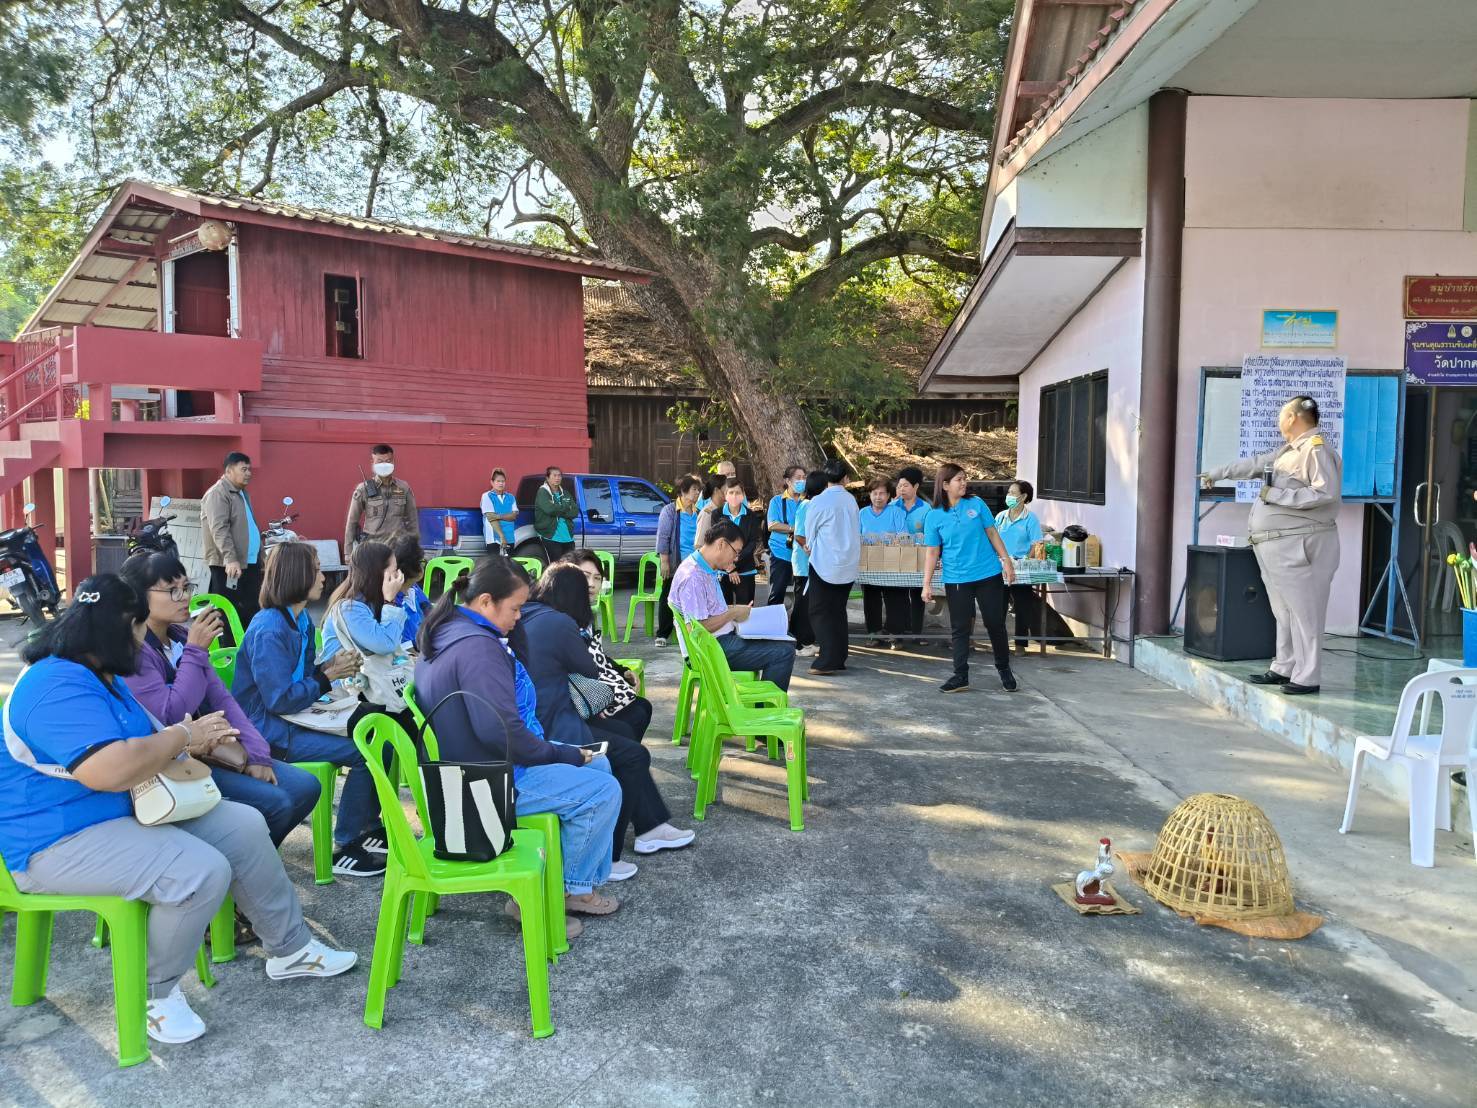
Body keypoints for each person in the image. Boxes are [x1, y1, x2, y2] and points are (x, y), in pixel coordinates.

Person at [0, 574, 356, 1046]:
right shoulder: (54, 684)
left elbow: (144, 742)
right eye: (137, 629)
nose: (141, 640)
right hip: (56, 841)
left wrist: (193, 741)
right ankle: (154, 994)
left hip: (124, 812)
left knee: (244, 825)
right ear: (117, 628)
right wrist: (185, 736)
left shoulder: (98, 674)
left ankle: (290, 949)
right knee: (199, 871)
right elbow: (110, 770)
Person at [414, 557, 623, 921]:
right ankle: (555, 893)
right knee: (603, 791)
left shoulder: (451, 629)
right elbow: (500, 732)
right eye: (515, 608)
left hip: (472, 769)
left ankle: (576, 884)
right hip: (488, 784)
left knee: (600, 764)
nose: (519, 617)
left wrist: (559, 753)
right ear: (485, 602)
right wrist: (560, 753)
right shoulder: (479, 649)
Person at [119, 552, 319, 849]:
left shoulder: (178, 637)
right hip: (170, 761)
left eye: (186, 587)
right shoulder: (134, 650)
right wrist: (196, 650)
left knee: (305, 786)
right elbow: (170, 714)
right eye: (172, 590)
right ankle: (242, 863)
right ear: (138, 596)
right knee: (276, 803)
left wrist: (258, 754)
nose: (185, 597)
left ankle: (249, 859)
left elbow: (221, 697)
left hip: (213, 748)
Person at [530, 560, 694, 876]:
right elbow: (589, 669)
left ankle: (646, 825)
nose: (592, 586)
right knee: (632, 754)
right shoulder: (560, 622)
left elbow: (595, 665)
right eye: (586, 579)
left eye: (597, 577)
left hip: (555, 717)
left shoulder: (535, 615)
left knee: (629, 726)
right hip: (552, 727)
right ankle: (608, 856)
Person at [232, 543, 383, 878]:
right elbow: (279, 699)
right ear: (296, 576)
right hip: (270, 732)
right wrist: (327, 676)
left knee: (376, 728)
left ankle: (368, 826)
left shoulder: (299, 619)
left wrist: (330, 668)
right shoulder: (270, 628)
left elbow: (304, 674)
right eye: (316, 569)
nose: (322, 576)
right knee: (364, 752)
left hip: (294, 717)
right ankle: (347, 843)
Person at [1200, 395, 1343, 694]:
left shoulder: (1315, 449)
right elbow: (1254, 465)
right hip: (1277, 547)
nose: (1278, 421)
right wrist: (1218, 473)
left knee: (1306, 613)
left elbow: (1325, 493)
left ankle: (1307, 676)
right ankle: (1284, 666)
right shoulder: (1288, 452)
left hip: (1302, 546)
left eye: (1281, 415)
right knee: (1284, 612)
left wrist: (1275, 495)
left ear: (1293, 417)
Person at [922, 463, 1018, 694]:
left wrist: (1006, 561)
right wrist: (926, 584)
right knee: (960, 628)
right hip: (957, 579)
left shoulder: (976, 504)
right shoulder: (933, 516)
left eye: (965, 478)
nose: (964, 483)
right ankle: (960, 675)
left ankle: (1004, 669)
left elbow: (992, 533)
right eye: (959, 480)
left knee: (995, 623)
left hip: (988, 574)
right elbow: (932, 552)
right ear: (945, 485)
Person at [670, 518, 795, 691]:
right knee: (783, 652)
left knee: (785, 637)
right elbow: (696, 629)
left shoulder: (706, 568)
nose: (736, 558)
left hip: (718, 640)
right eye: (736, 552)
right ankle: (766, 706)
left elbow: (708, 609)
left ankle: (765, 702)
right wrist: (733, 613)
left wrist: (734, 611)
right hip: (708, 649)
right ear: (721, 544)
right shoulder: (693, 576)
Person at [804, 460, 861, 676]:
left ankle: (827, 660)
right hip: (848, 563)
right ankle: (839, 657)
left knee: (819, 611)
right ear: (845, 478)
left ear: (825, 478)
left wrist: (810, 546)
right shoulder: (851, 500)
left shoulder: (819, 501)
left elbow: (810, 533)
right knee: (838, 611)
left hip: (824, 563)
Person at [200, 451, 263, 634]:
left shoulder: (242, 493)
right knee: (229, 611)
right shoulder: (218, 493)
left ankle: (248, 646)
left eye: (249, 469)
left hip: (248, 562)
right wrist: (230, 558)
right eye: (244, 469)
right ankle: (228, 648)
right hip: (228, 565)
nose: (248, 473)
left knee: (251, 608)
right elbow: (219, 528)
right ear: (228, 471)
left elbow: (250, 526)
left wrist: (261, 555)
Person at [695, 476, 765, 605]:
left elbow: (752, 543)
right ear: (725, 495)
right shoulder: (716, 514)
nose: (734, 496)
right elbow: (717, 541)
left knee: (745, 610)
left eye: (738, 492)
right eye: (731, 492)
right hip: (722, 571)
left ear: (743, 495)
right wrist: (730, 568)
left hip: (746, 570)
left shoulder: (751, 516)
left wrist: (735, 560)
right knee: (722, 609)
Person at [995, 479, 1045, 653]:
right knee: (998, 607)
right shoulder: (1001, 517)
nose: (1009, 495)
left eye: (1013, 493)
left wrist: (1024, 560)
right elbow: (993, 539)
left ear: (1023, 497)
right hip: (1001, 566)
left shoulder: (1031, 519)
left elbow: (1036, 544)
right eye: (1008, 492)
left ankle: (1020, 644)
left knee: (1023, 606)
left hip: (1022, 567)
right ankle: (999, 643)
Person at [654, 473, 703, 646]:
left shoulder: (698, 511)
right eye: (694, 490)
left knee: (694, 597)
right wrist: (664, 562)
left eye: (698, 490)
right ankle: (662, 634)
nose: (697, 493)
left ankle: (693, 631)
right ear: (683, 491)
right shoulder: (670, 510)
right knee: (668, 596)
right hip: (676, 563)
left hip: (695, 563)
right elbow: (663, 537)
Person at [344, 444, 417, 557]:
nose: (384, 465)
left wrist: (414, 547)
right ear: (373, 462)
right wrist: (348, 552)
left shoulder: (403, 487)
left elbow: (412, 519)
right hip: (373, 547)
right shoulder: (363, 489)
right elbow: (352, 522)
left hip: (398, 548)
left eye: (388, 461)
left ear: (393, 462)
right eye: (380, 461)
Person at [859, 476, 907, 649]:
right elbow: (856, 536)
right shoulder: (862, 513)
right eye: (874, 493)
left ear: (888, 496)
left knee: (894, 598)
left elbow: (904, 535)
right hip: (868, 562)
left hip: (892, 561)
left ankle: (895, 635)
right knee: (871, 599)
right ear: (870, 494)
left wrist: (892, 541)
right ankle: (874, 633)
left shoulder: (896, 512)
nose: (878, 497)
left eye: (882, 494)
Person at [893, 466, 931, 643]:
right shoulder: (892, 506)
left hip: (918, 558)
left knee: (917, 595)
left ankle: (917, 633)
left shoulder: (926, 509)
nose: (902, 489)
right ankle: (899, 633)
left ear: (916, 487)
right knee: (898, 596)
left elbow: (930, 536)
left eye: (906, 485)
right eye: (900, 485)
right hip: (897, 558)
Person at [789, 470, 826, 653]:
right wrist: (811, 549)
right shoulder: (807, 505)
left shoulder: (813, 504)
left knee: (805, 603)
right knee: (803, 604)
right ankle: (800, 642)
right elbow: (800, 535)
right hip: (804, 564)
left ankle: (802, 640)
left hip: (811, 564)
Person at [765, 465, 806, 607]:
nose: (802, 481)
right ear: (788, 481)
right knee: (777, 591)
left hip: (802, 553)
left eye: (804, 478)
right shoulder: (777, 501)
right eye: (798, 478)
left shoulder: (806, 501)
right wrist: (794, 529)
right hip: (781, 552)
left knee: (803, 593)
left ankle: (797, 620)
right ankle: (773, 619)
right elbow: (772, 525)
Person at [391, 534, 432, 646]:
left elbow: (430, 612)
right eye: (422, 561)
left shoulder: (413, 588)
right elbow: (406, 644)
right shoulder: (396, 602)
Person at [534, 466, 578, 562]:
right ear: (547, 478)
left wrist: (558, 509)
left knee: (570, 565)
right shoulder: (543, 492)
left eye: (559, 475)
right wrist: (566, 507)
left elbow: (575, 512)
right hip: (551, 536)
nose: (557, 478)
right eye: (554, 475)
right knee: (556, 565)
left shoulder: (565, 493)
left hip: (568, 537)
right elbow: (550, 510)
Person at [481, 468, 518, 556]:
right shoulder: (487, 496)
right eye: (498, 481)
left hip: (510, 537)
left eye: (503, 481)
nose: (501, 483)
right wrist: (502, 536)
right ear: (492, 482)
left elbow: (514, 516)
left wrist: (498, 516)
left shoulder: (511, 497)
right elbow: (491, 519)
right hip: (494, 538)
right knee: (495, 563)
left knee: (508, 563)